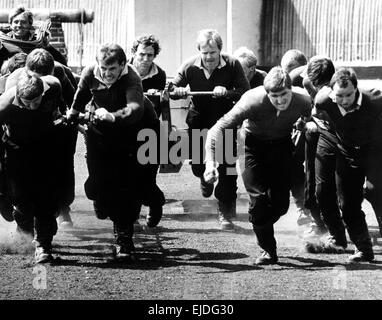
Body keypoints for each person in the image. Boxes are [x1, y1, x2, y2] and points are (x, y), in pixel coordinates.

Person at [204, 66, 311, 264]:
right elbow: (215, 130)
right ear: (266, 93)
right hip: (250, 146)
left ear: (291, 89)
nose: (280, 101)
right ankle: (268, 250)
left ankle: (259, 221)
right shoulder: (251, 100)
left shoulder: (303, 99)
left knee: (280, 205)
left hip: (281, 146)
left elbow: (308, 116)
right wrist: (210, 163)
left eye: (284, 94)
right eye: (274, 96)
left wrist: (303, 124)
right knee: (259, 201)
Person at [67, 43, 159, 261]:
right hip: (101, 127)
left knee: (130, 185)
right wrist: (73, 113)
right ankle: (100, 197)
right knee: (97, 182)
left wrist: (113, 116)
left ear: (123, 65)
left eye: (112, 70)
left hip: (135, 129)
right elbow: (81, 94)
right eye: (103, 69)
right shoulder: (90, 72)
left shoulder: (132, 77)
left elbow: (135, 109)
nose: (107, 74)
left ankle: (125, 239)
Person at [171, 29, 250, 230]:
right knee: (198, 165)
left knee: (226, 169)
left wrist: (228, 93)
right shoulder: (189, 66)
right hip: (198, 120)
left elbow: (244, 92)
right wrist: (178, 91)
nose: (209, 57)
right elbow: (171, 90)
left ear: (220, 51)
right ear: (199, 51)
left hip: (225, 121)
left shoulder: (232, 64)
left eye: (213, 53)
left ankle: (225, 214)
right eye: (205, 53)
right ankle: (204, 179)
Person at [313, 67, 382, 262]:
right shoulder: (323, 100)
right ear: (332, 91)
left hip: (375, 152)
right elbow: (316, 116)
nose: (344, 100)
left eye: (349, 95)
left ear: (356, 90)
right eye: (339, 96)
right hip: (347, 152)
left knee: (376, 191)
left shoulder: (375, 99)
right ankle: (364, 249)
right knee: (348, 204)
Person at [5, 48, 77, 228]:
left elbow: (74, 101)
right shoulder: (13, 82)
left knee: (62, 163)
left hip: (54, 125)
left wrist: (71, 118)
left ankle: (62, 206)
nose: (41, 81)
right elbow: (10, 119)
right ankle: (18, 208)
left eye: (46, 75)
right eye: (37, 76)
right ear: (27, 73)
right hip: (22, 129)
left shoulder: (58, 76)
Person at [0, 71, 66, 263]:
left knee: (45, 201)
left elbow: (65, 112)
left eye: (35, 102)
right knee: (21, 201)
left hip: (46, 151)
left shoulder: (53, 88)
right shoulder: (5, 105)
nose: (30, 107)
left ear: (42, 95)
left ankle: (43, 245)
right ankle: (24, 232)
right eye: (25, 103)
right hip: (16, 153)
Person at [281, 49, 326, 236]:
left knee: (318, 172)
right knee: (296, 163)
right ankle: (306, 209)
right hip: (307, 126)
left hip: (324, 128)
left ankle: (318, 215)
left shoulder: (302, 78)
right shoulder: (290, 80)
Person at [129, 34, 167, 228]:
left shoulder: (159, 75)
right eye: (142, 54)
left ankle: (155, 201)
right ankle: (132, 217)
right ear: (134, 52)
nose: (145, 59)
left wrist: (155, 99)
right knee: (127, 174)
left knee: (146, 175)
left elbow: (158, 110)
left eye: (150, 55)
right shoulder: (123, 70)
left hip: (148, 129)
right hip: (125, 128)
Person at [0, 6, 67, 69]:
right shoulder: (4, 44)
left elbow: (62, 63)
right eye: (16, 22)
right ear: (11, 25)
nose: (19, 25)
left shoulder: (39, 42)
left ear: (30, 25)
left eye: (23, 22)